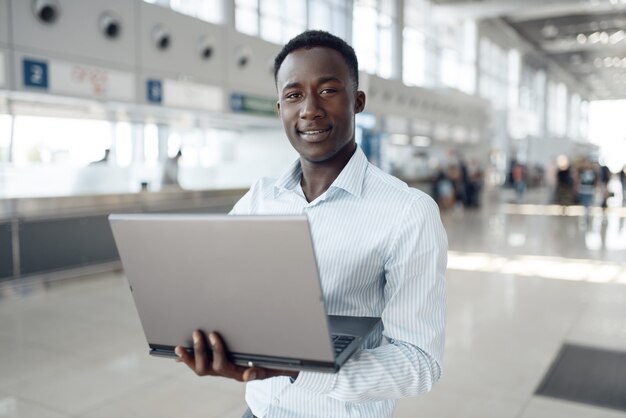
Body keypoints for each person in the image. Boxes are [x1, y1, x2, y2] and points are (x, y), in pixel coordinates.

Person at [174, 30, 448, 418]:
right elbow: (224, 297)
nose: (309, 109)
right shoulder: (258, 200)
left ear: (358, 101)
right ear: (280, 109)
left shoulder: (408, 212)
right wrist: (210, 340)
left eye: (328, 90)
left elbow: (420, 363)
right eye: (293, 95)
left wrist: (300, 368)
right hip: (258, 412)